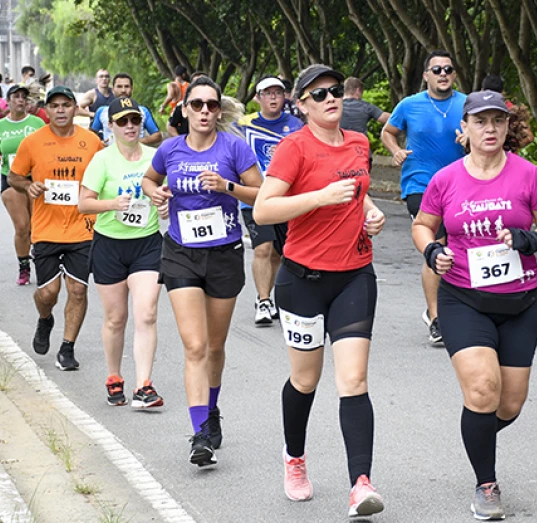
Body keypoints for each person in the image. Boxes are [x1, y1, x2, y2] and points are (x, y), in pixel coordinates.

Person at [411, 91, 537, 521]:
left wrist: (533, 238)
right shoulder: (446, 179)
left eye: (498, 120)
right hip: (464, 299)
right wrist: (432, 251)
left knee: (509, 404)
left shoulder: (527, 174)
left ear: (507, 126)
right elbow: (423, 226)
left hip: (521, 301)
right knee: (482, 390)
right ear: (465, 129)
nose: (490, 129)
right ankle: (486, 483)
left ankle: (475, 433)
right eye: (480, 121)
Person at [252, 64, 387, 515]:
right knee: (305, 379)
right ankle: (294, 458)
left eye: (335, 91)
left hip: (354, 275)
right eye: (319, 94)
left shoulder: (359, 142)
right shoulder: (294, 148)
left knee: (354, 380)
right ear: (302, 105)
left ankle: (361, 484)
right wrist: (319, 198)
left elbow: (358, 191)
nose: (331, 99)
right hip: (303, 281)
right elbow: (263, 210)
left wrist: (370, 212)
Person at [141, 77, 262, 467]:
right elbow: (149, 178)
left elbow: (261, 193)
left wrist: (227, 186)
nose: (205, 111)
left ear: (219, 110)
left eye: (211, 105)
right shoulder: (170, 149)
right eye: (197, 104)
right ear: (185, 110)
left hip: (224, 254)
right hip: (181, 253)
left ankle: (211, 408)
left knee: (214, 347)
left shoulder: (234, 147)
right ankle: (200, 435)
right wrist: (155, 193)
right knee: (194, 346)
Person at [8, 86, 104, 370]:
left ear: (75, 108)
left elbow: (106, 175)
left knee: (78, 290)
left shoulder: (92, 142)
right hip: (46, 229)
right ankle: (45, 318)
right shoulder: (33, 142)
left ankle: (67, 347)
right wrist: (28, 185)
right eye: (54, 105)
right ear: (47, 110)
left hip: (83, 228)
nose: (60, 110)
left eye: (66, 105)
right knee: (48, 293)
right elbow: (14, 176)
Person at [79, 97, 165, 408]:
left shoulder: (156, 157)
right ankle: (114, 376)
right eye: (123, 121)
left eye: (135, 120)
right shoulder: (102, 160)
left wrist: (165, 204)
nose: (130, 126)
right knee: (116, 318)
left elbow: (167, 193)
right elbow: (83, 204)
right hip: (109, 245)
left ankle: (144, 385)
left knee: (147, 313)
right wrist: (112, 204)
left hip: (147, 243)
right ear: (111, 126)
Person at [381, 49, 466, 345]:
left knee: (459, 248)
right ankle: (436, 317)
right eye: (437, 70)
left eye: (448, 69)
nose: (443, 74)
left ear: (454, 75)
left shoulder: (467, 104)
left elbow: (486, 135)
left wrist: (470, 140)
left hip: (461, 185)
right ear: (426, 75)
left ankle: (459, 306)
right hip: (421, 186)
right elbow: (388, 132)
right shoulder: (409, 105)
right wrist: (396, 151)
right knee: (437, 246)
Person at [236, 75, 304, 326]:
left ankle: (272, 297)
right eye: (268, 93)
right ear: (258, 98)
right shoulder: (243, 124)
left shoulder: (296, 125)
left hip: (286, 200)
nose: (273, 98)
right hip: (254, 198)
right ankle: (263, 301)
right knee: (263, 248)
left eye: (278, 92)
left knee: (280, 252)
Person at [0, 84, 46, 285]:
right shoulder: (0, 126)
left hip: (35, 179)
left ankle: (41, 261)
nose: (20, 100)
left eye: (23, 97)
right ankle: (24, 267)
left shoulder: (37, 123)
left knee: (37, 226)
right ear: (8, 101)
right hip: (11, 179)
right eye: (16, 96)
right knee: (22, 226)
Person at [91, 73, 163, 146]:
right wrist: (100, 143)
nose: (123, 90)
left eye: (127, 86)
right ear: (113, 89)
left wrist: (137, 142)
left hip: (135, 151)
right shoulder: (102, 111)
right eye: (119, 86)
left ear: (132, 89)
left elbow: (157, 136)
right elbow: (90, 134)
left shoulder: (143, 111)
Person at [166, 71, 208, 137]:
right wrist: (180, 140)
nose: (200, 85)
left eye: (204, 82)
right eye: (196, 83)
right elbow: (170, 125)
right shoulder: (182, 105)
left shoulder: (218, 105)